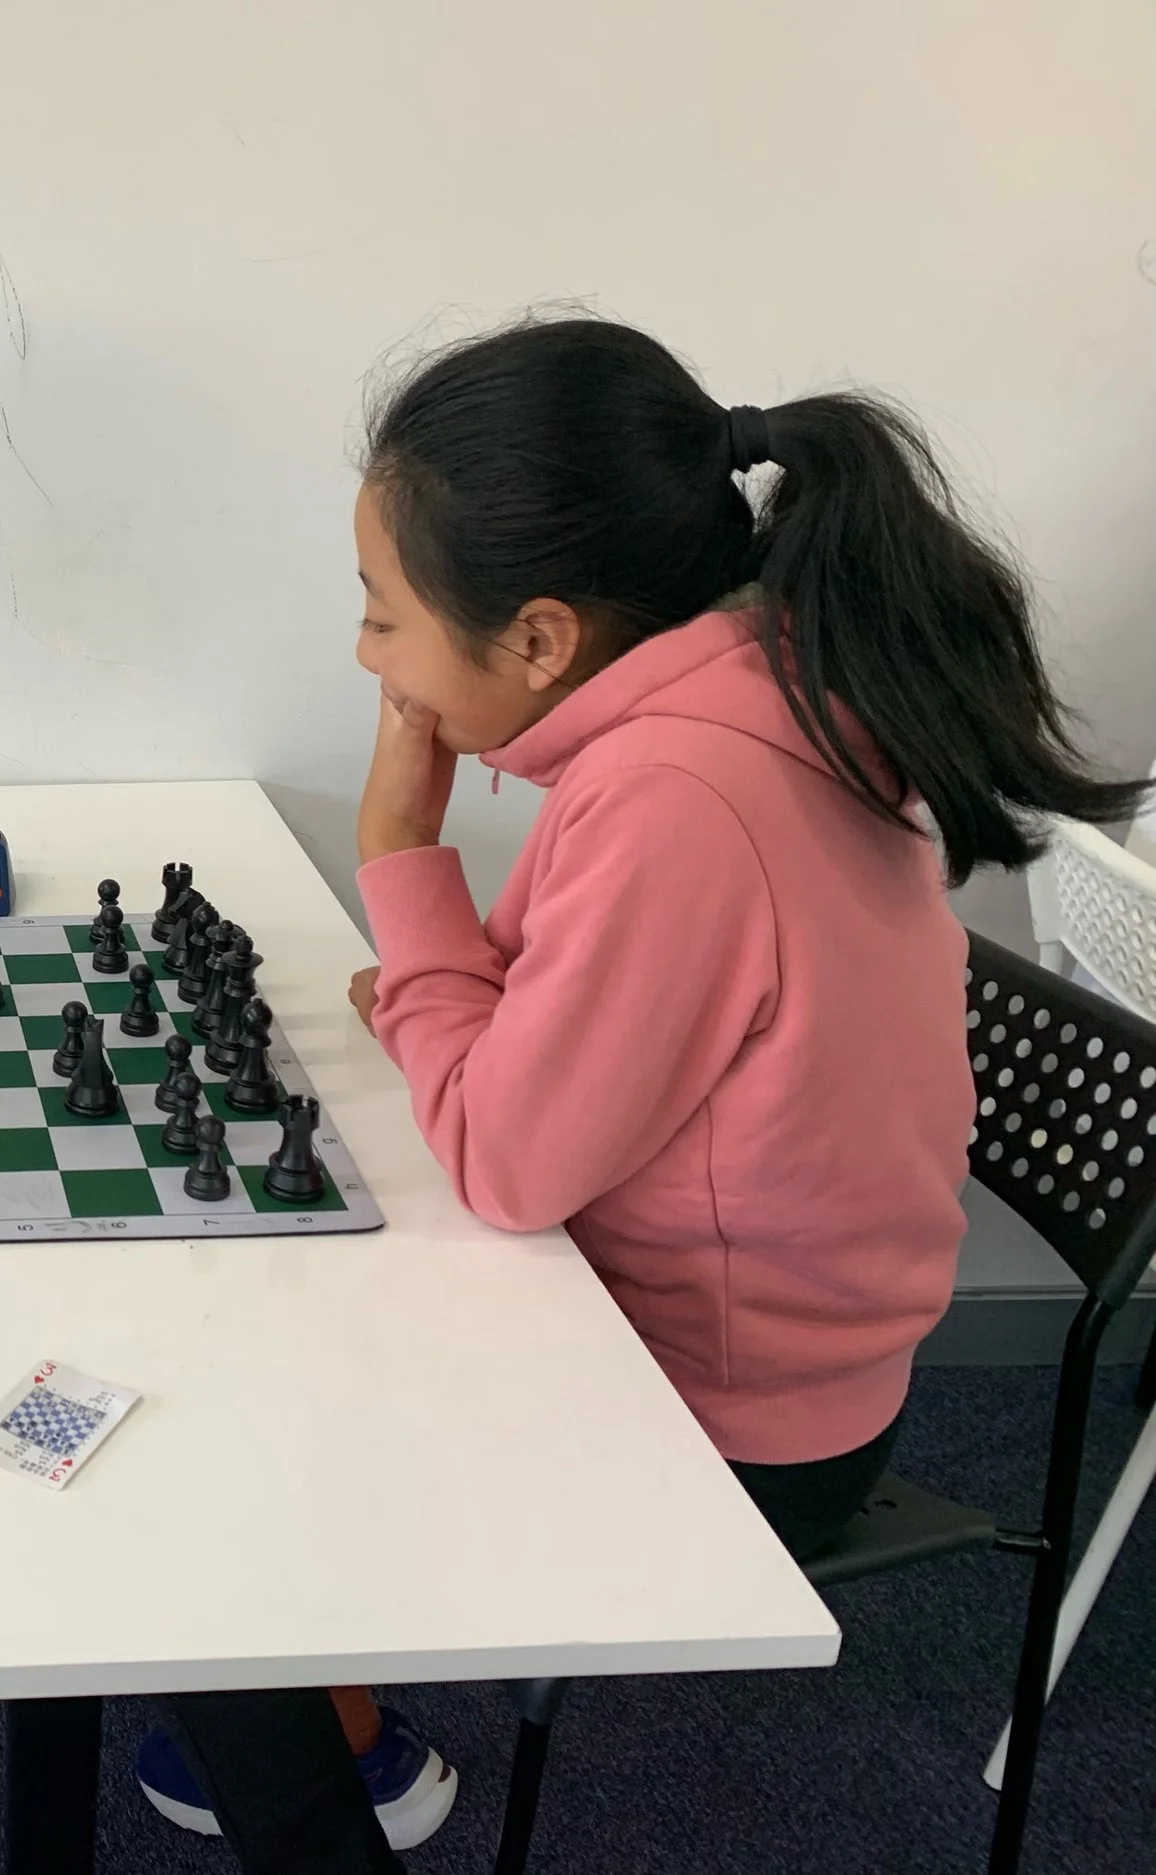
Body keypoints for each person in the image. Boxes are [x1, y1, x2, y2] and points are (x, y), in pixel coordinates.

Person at [135, 314, 1148, 1873]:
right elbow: (545, 1033)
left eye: (384, 614)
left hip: (733, 1431)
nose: (368, 657)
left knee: (191, 1443)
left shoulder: (679, 791)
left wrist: (402, 855)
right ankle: (324, 1687)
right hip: (743, 1336)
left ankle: (346, 1789)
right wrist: (453, 1006)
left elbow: (505, 1158)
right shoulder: (746, 693)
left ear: (542, 637)